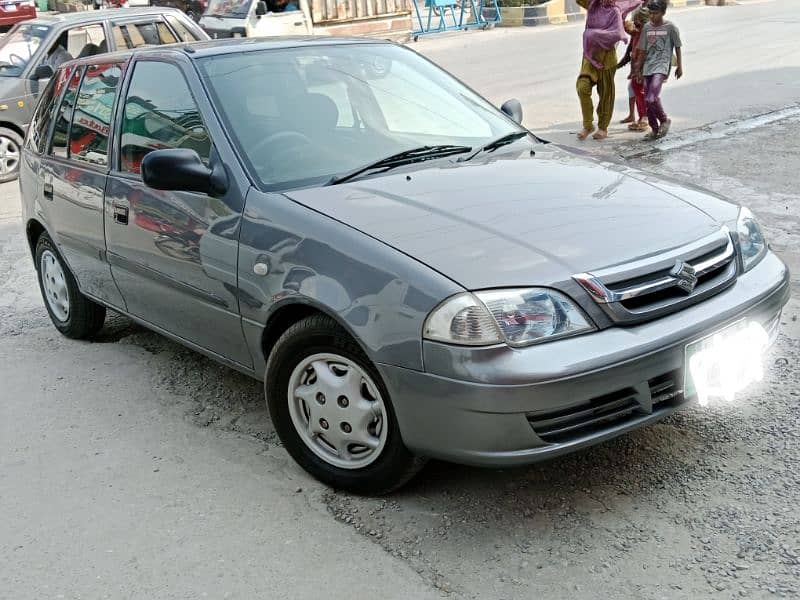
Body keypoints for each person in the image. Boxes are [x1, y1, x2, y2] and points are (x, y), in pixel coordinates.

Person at [575, 0, 643, 141]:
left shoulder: (614, 11)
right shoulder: (593, 5)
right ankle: (588, 125)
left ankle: (603, 127)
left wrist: (593, 34)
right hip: (590, 56)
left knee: (606, 93)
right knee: (582, 87)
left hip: (607, 57)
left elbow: (616, 34)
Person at [635, 0, 683, 140]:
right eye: (650, 13)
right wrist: (637, 69)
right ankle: (654, 130)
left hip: (661, 66)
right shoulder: (646, 28)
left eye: (655, 13)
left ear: (663, 12)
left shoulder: (670, 27)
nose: (652, 16)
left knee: (651, 98)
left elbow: (678, 47)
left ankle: (664, 120)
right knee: (648, 99)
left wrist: (680, 66)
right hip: (648, 66)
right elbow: (642, 50)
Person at [617, 6, 649, 132]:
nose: (634, 24)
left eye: (637, 22)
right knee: (633, 89)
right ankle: (636, 116)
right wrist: (619, 65)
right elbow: (629, 53)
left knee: (638, 90)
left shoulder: (644, 34)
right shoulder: (636, 33)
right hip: (636, 69)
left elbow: (644, 55)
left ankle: (644, 117)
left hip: (642, 70)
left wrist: (638, 71)